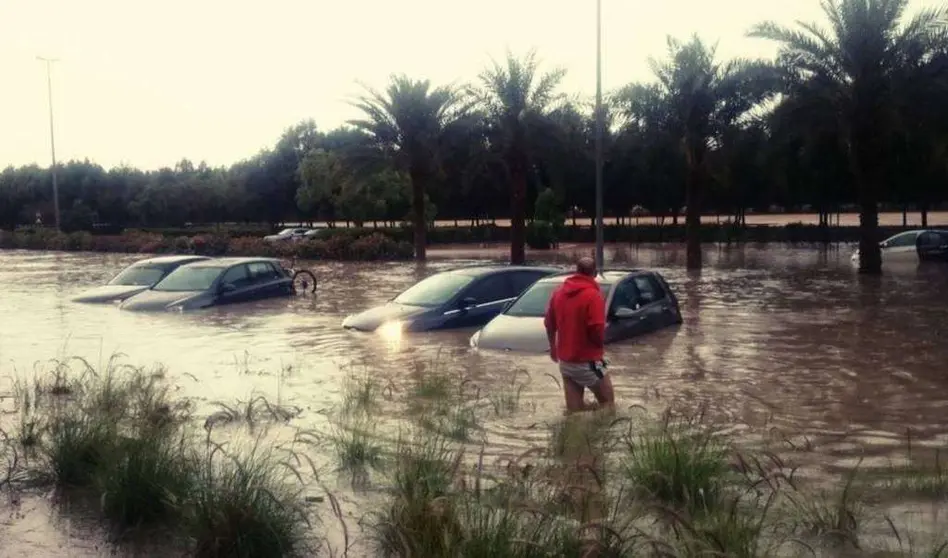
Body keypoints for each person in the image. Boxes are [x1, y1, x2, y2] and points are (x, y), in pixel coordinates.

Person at [543, 256, 615, 413]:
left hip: (566, 363)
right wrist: (599, 348)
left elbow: (549, 323)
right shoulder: (593, 296)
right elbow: (597, 329)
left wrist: (553, 348)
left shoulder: (558, 293)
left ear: (576, 271)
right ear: (595, 273)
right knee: (609, 405)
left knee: (574, 413)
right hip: (588, 361)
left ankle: (574, 436)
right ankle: (602, 436)